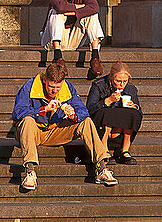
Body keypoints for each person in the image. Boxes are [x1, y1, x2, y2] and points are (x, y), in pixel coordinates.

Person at [12, 61, 118, 192]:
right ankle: (29, 171)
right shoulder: (30, 86)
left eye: (58, 87)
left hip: (55, 131)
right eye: (51, 87)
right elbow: (18, 113)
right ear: (45, 80)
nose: (54, 91)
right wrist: (44, 109)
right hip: (32, 132)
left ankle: (102, 168)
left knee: (86, 122)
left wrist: (73, 115)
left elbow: (83, 112)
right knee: (27, 120)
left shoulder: (67, 87)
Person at [42, 0, 106, 79]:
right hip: (51, 42)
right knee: (55, 12)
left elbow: (95, 7)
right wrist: (79, 7)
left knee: (92, 14)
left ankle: (95, 57)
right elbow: (60, 7)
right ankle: (58, 57)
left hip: (73, 39)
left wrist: (72, 12)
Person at [86, 62, 142, 164]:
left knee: (134, 113)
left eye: (125, 81)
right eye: (118, 81)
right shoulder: (99, 85)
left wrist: (134, 106)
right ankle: (104, 149)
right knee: (107, 112)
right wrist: (107, 101)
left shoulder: (130, 88)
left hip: (120, 126)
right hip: (102, 124)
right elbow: (89, 108)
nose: (122, 84)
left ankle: (125, 150)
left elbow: (140, 111)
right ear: (111, 77)